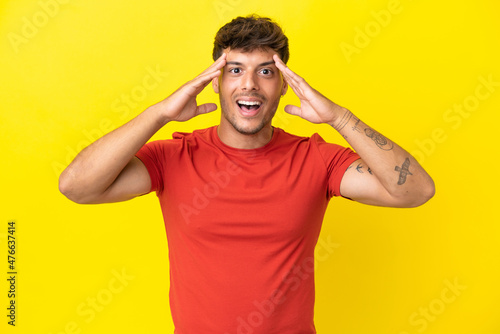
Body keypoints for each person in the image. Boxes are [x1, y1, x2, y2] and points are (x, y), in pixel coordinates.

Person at [59, 14, 434, 334]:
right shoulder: (175, 156)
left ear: (284, 85)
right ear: (217, 83)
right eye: (235, 70)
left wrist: (340, 117)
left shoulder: (317, 159)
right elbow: (76, 186)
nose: (249, 84)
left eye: (266, 72)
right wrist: (158, 113)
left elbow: (415, 191)